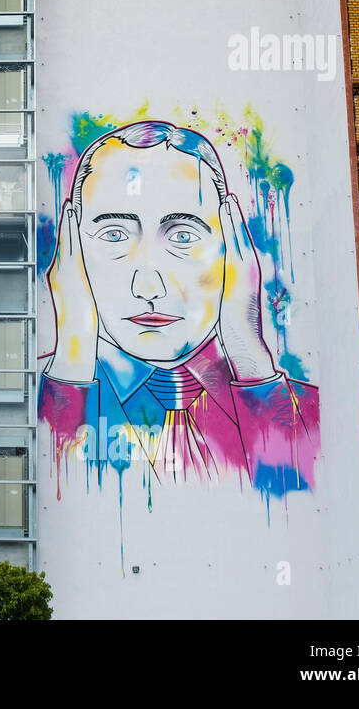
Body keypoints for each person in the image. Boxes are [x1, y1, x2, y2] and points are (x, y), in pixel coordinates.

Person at [40, 120, 318, 498]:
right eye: (115, 236)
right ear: (70, 245)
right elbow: (43, 503)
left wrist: (252, 362)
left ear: (233, 246)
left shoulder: (309, 412)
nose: (149, 286)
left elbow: (300, 500)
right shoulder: (27, 401)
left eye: (184, 236)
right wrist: (71, 361)